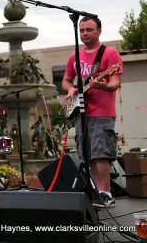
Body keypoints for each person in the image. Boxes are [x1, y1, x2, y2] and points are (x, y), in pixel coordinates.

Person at [62, 16, 123, 208]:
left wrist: (102, 86)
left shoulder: (110, 53)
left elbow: (115, 83)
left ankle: (106, 193)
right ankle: (98, 193)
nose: (84, 33)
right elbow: (65, 80)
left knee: (100, 153)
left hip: (102, 111)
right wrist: (70, 89)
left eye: (89, 30)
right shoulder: (75, 56)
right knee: (87, 154)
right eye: (81, 30)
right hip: (82, 111)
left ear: (99, 31)